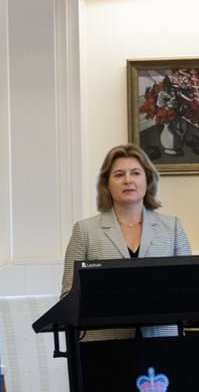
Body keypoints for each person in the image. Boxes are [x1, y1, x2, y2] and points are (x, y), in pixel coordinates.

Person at [61, 144, 191, 338]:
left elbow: (190, 289)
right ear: (106, 184)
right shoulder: (85, 231)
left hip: (163, 344)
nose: (128, 180)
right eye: (119, 174)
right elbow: (68, 296)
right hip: (104, 345)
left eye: (136, 173)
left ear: (147, 180)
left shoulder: (172, 227)